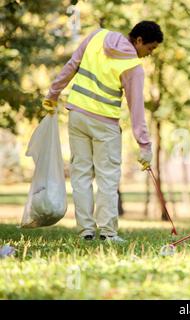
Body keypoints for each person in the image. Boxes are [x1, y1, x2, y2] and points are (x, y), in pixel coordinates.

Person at [42, 21, 163, 242]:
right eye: (150, 48)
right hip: (104, 124)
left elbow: (71, 65)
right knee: (107, 178)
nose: (148, 54)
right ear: (139, 41)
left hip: (77, 115)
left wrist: (52, 94)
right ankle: (107, 233)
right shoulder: (133, 67)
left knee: (81, 175)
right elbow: (136, 109)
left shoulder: (97, 36)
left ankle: (86, 231)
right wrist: (144, 145)